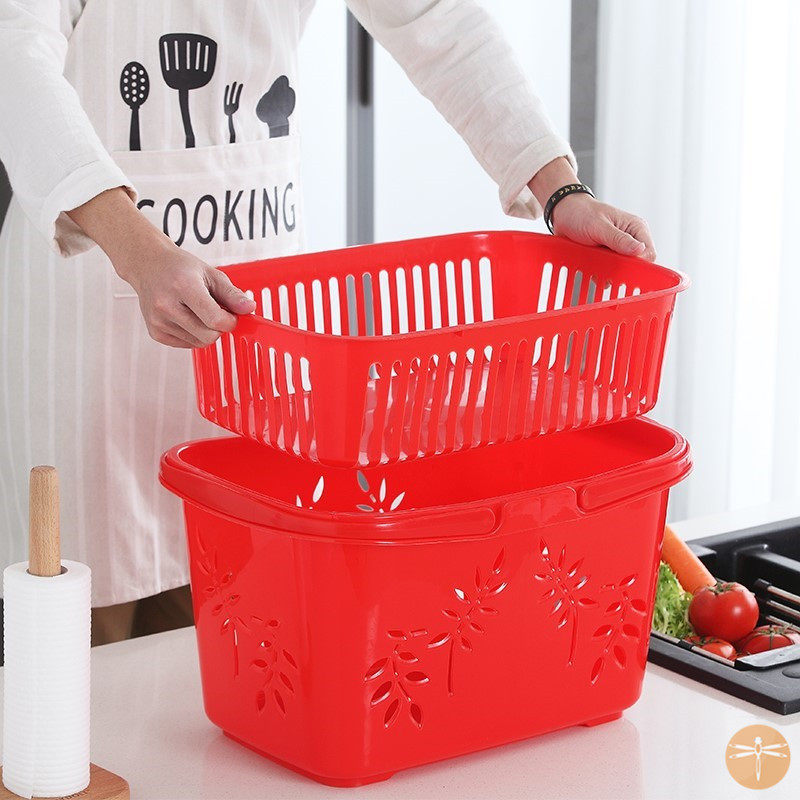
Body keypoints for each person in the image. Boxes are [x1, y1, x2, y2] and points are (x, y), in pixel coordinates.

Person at [0, 0, 656, 645]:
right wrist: (137, 248)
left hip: (261, 323)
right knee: (81, 652)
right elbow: (14, 53)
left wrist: (561, 190)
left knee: (238, 647)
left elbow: (439, 20)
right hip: (90, 313)